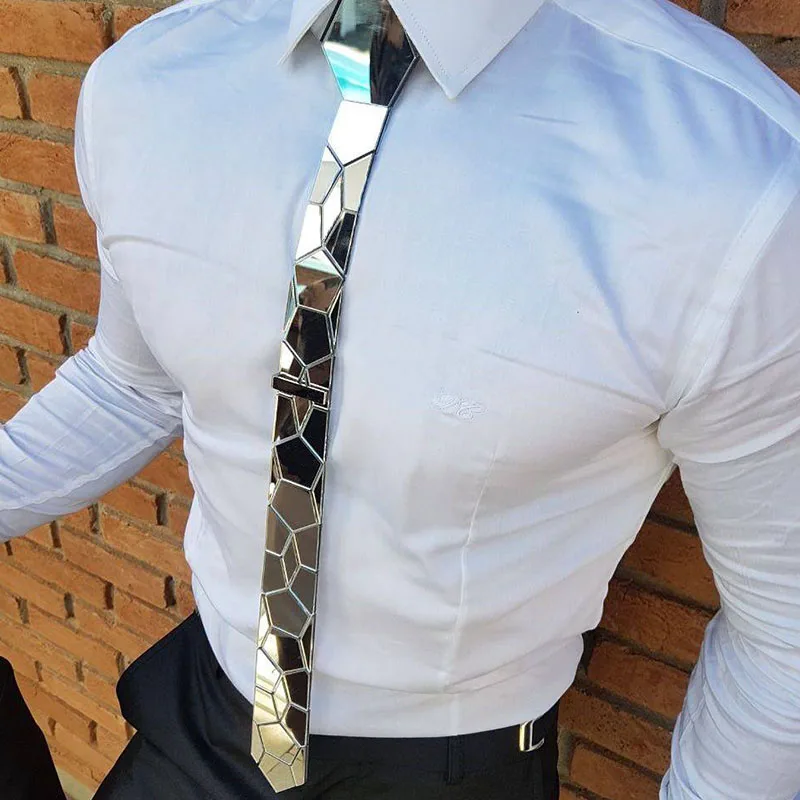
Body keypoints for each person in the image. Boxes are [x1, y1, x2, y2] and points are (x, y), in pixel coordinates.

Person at [1, 0, 800, 797]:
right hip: (203, 715)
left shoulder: (735, 177)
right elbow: (131, 380)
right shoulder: (151, 84)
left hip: (445, 766)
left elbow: (783, 627)